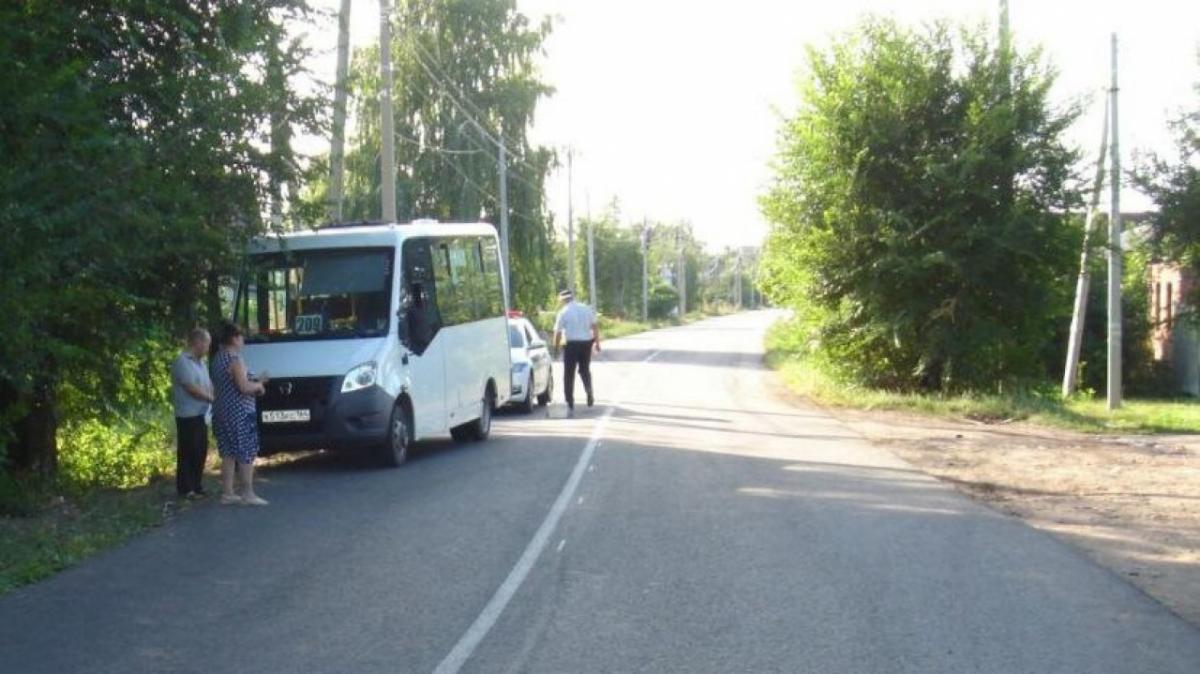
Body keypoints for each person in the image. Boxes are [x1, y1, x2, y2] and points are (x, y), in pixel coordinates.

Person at [211, 321, 269, 506]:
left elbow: (231, 383)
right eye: (241, 336)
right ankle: (248, 493)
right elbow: (243, 387)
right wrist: (259, 386)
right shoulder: (235, 359)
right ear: (234, 338)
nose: (243, 340)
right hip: (240, 412)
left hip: (222, 410)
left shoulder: (218, 358)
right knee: (246, 451)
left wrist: (254, 380)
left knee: (228, 452)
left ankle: (227, 493)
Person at [170, 328, 214, 499]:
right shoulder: (182, 362)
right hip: (187, 414)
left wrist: (213, 396)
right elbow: (191, 388)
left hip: (202, 413)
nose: (208, 348)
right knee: (188, 450)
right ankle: (185, 488)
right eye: (207, 344)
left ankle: (197, 485)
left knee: (200, 450)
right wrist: (211, 398)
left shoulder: (202, 364)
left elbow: (208, 384)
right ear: (198, 342)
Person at [553, 289, 601, 413]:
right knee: (584, 370)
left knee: (569, 374)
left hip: (571, 345)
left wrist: (556, 348)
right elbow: (595, 326)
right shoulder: (586, 308)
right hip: (586, 343)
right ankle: (589, 390)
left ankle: (570, 402)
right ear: (572, 297)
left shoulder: (563, 312)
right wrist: (597, 343)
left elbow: (557, 333)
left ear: (563, 300)